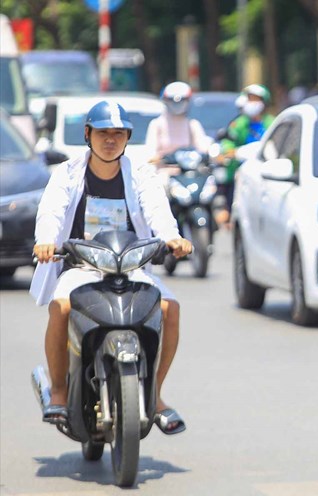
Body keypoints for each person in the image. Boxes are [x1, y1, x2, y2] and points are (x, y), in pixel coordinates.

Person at [30, 101, 193, 434]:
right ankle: (59, 391)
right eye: (103, 132)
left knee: (170, 308)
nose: (110, 140)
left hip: (130, 266)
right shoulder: (68, 173)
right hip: (81, 267)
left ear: (127, 138)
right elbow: (52, 211)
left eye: (118, 134)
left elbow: (157, 210)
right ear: (88, 134)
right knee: (61, 307)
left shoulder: (142, 174)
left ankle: (156, 395)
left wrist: (171, 237)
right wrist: (46, 240)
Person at [217, 84, 276, 224]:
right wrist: (228, 152)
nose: (252, 103)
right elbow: (227, 142)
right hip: (239, 172)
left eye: (255, 99)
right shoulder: (239, 124)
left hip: (265, 173)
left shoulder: (272, 123)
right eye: (250, 99)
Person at [145, 81, 211, 164]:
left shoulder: (192, 124)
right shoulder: (156, 124)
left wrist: (210, 152)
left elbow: (202, 147)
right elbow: (150, 151)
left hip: (187, 169)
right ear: (165, 100)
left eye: (182, 101)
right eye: (172, 101)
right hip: (162, 171)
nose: (177, 105)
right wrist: (158, 158)